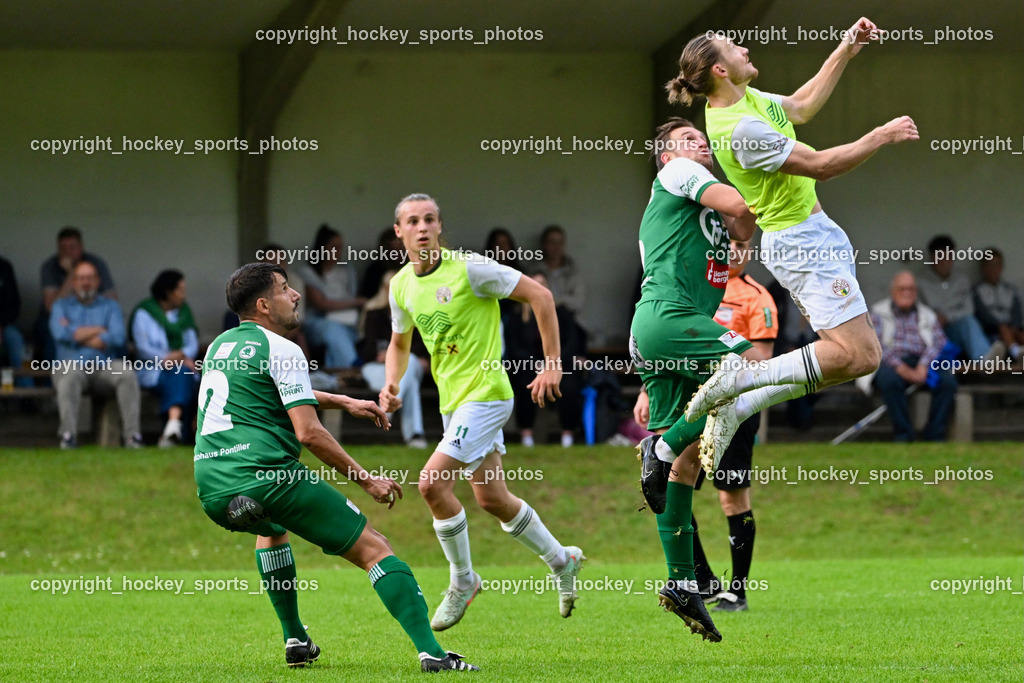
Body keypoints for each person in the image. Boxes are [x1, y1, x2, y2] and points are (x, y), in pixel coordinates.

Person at [194, 262, 477, 672]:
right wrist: (367, 481)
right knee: (375, 549)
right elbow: (308, 434)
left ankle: (295, 638)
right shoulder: (284, 348)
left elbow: (268, 391)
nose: (295, 295)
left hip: (212, 483)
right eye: (285, 289)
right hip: (266, 476)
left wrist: (343, 401)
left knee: (271, 530)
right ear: (263, 305)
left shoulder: (220, 346)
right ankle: (433, 654)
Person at [666, 20, 920, 448]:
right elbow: (820, 164)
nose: (743, 48)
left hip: (812, 237)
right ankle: (742, 382)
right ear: (720, 71)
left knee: (855, 358)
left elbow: (800, 106)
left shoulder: (744, 99)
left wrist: (844, 50)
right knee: (862, 355)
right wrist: (881, 135)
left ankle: (741, 400)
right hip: (803, 245)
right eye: (732, 46)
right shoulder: (740, 129)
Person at [382, 193, 584, 631]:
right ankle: (562, 559)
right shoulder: (400, 285)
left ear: (439, 226)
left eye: (430, 219)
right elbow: (400, 344)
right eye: (412, 221)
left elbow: (541, 295)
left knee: (432, 484)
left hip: (488, 395)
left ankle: (463, 580)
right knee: (491, 498)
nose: (422, 227)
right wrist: (392, 385)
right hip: (453, 404)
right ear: (398, 231)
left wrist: (552, 363)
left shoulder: (470, 268)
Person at [629, 118, 757, 642]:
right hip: (670, 317)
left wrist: (740, 221)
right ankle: (660, 448)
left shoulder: (694, 205)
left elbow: (743, 229)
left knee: (683, 470)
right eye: (686, 140)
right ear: (666, 157)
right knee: (748, 369)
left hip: (661, 328)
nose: (698, 144)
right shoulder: (679, 173)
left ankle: (682, 583)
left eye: (700, 140)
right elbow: (742, 212)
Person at [634, 237, 776, 614]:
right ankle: (702, 580)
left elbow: (763, 362)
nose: (732, 251)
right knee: (671, 481)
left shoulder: (756, 296)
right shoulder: (691, 286)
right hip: (686, 400)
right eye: (726, 244)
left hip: (733, 404)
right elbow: (664, 341)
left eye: (741, 245)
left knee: (731, 496)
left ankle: (738, 591)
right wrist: (647, 391)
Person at [49, 261, 142, 449]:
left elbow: (117, 337)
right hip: (71, 365)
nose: (86, 282)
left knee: (126, 373)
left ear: (98, 281)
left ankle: (132, 436)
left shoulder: (110, 306)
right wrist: (99, 329)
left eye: (90, 278)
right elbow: (60, 333)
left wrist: (76, 333)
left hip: (103, 366)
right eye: (81, 278)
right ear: (73, 282)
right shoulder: (61, 306)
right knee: (68, 377)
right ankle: (68, 437)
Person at [863, 272, 957, 441]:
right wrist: (900, 367)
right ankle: (904, 434)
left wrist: (923, 365)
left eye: (911, 289)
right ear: (892, 291)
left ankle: (935, 435)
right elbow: (875, 345)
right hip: (890, 362)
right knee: (890, 381)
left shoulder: (928, 314)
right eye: (902, 289)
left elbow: (940, 342)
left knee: (948, 382)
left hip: (922, 361)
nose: (907, 293)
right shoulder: (877, 312)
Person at [504, 272, 585, 447]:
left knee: (569, 385)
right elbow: (514, 347)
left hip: (559, 364)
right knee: (525, 384)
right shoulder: (517, 316)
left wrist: (554, 363)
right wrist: (537, 364)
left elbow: (572, 342)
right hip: (527, 366)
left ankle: (567, 435)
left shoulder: (562, 314)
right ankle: (526, 435)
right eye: (535, 284)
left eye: (543, 284)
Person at [130, 269, 200, 447]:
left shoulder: (184, 313)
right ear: (168, 292)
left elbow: (192, 343)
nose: (184, 295)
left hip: (182, 366)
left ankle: (172, 427)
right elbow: (143, 347)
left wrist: (182, 355)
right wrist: (167, 359)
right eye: (180, 290)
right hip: (152, 369)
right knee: (181, 375)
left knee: (181, 374)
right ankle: (175, 430)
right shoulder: (144, 313)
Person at [359, 269, 428, 448]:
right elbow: (367, 351)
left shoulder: (416, 314)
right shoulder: (374, 315)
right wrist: (384, 356)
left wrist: (395, 354)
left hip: (408, 366)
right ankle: (415, 435)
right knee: (410, 382)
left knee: (410, 360)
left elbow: (424, 347)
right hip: (376, 367)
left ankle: (387, 406)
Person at [36, 226, 117, 362]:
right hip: (60, 320)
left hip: (93, 319)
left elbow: (112, 300)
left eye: (72, 247)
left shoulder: (96, 263)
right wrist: (72, 273)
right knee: (51, 335)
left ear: (81, 247)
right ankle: (51, 381)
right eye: (63, 248)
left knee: (116, 334)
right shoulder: (50, 266)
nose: (67, 252)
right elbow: (51, 307)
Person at [298, 225, 365, 369]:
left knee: (338, 342)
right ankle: (354, 366)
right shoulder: (308, 272)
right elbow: (320, 304)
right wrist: (356, 302)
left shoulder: (347, 270)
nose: (338, 251)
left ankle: (338, 377)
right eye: (334, 247)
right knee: (333, 330)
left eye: (340, 247)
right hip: (318, 322)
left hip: (347, 320)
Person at [917, 235, 993, 360]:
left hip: (955, 330)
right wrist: (934, 319)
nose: (944, 262)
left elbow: (969, 309)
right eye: (940, 257)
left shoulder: (961, 279)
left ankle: (986, 360)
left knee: (968, 322)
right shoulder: (920, 282)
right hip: (932, 333)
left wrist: (947, 317)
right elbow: (916, 312)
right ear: (932, 257)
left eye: (948, 257)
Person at [974, 247, 1023, 361]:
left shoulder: (1011, 290)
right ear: (983, 268)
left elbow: (1017, 313)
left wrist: (1014, 327)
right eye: (989, 265)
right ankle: (1016, 352)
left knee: (1020, 333)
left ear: (1001, 267)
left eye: (996, 265)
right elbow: (982, 315)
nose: (993, 269)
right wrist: (1001, 326)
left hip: (1013, 329)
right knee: (1003, 328)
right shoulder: (977, 291)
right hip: (992, 330)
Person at [535, 225, 586, 321]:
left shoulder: (573, 273)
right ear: (544, 245)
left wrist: (558, 301)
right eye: (552, 242)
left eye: (560, 243)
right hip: (541, 320)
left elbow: (578, 302)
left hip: (570, 322)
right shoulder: (535, 271)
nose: (556, 247)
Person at [0, 255, 32, 388]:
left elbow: (14, 305)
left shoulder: (4, 267)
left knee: (16, 339)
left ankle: (27, 396)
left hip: (4, 326)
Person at [358, 228, 406, 300]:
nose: (398, 253)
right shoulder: (375, 269)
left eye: (401, 249)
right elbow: (368, 296)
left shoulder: (413, 267)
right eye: (393, 250)